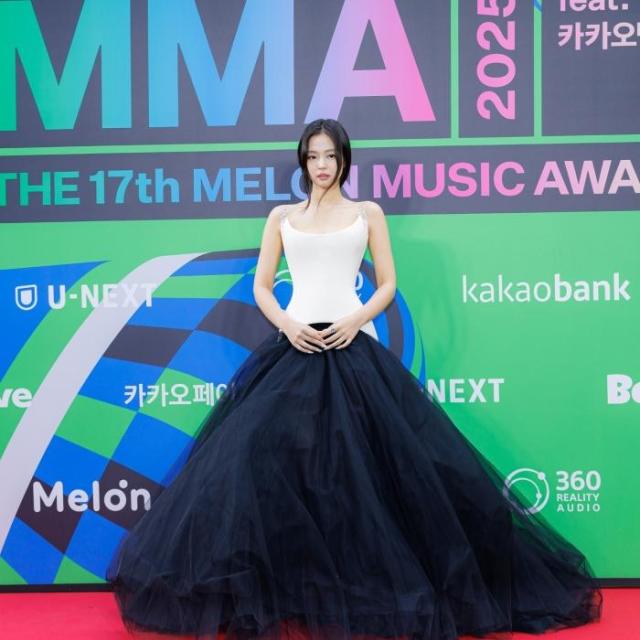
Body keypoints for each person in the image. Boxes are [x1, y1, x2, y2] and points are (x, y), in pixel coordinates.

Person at [107, 119, 602, 640]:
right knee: (276, 472)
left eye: (330, 156)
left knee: (368, 481)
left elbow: (387, 283)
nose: (321, 165)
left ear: (344, 159)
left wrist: (355, 318)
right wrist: (289, 325)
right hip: (294, 349)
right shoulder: (282, 217)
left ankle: (367, 592)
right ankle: (296, 591)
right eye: (312, 156)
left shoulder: (368, 214)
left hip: (353, 349)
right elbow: (262, 286)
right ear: (303, 161)